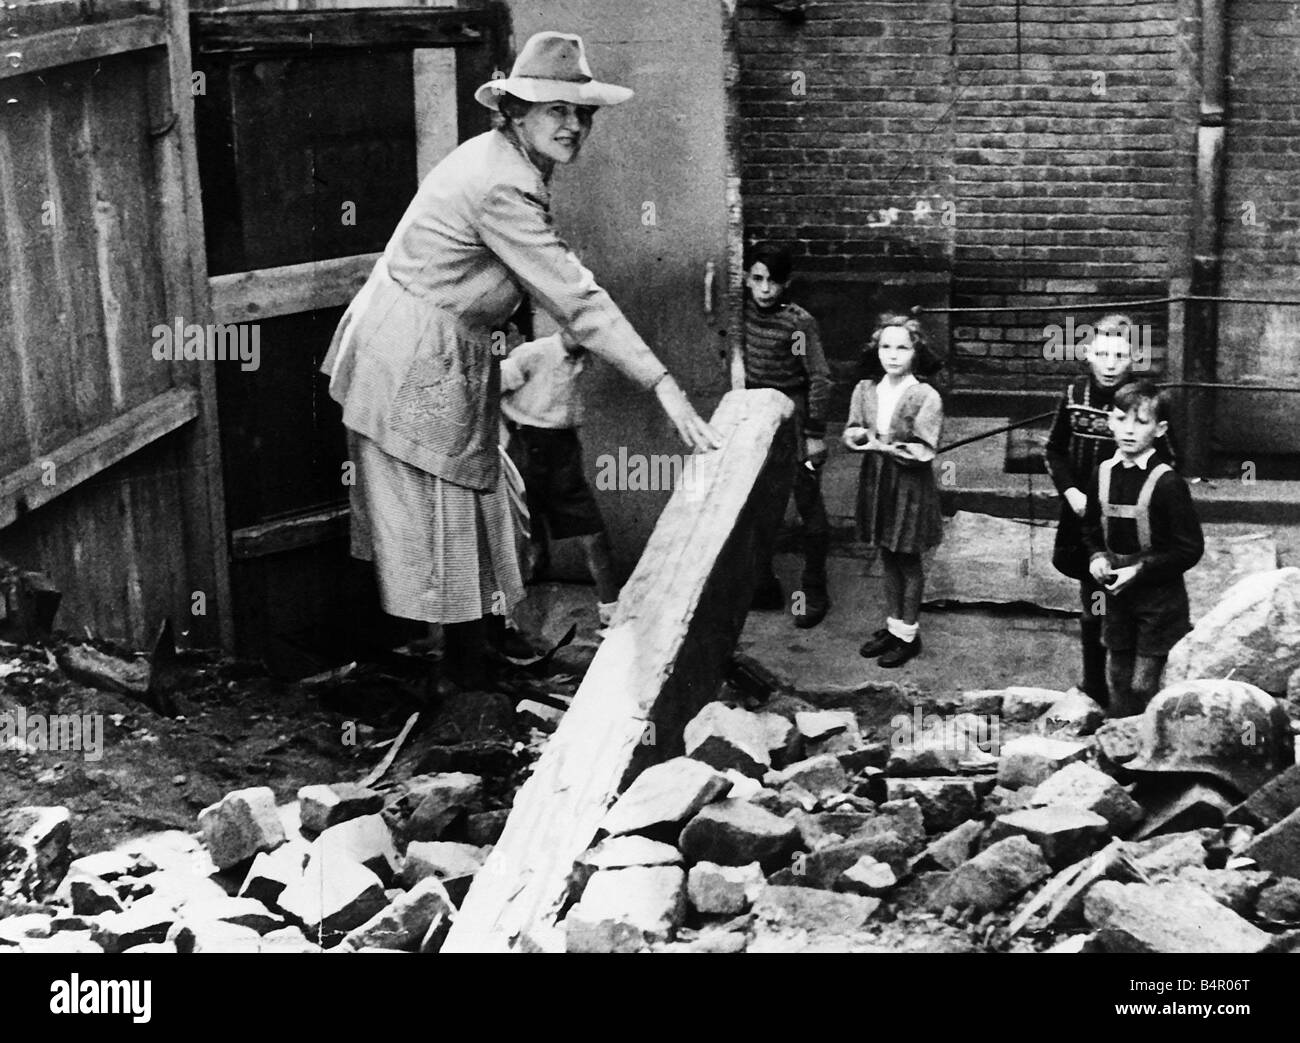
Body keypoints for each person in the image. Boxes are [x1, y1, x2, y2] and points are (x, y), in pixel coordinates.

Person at [320, 31, 719, 692]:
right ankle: (458, 680)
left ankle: (477, 656)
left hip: (443, 345)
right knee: (442, 512)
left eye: (582, 112)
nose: (573, 125)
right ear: (515, 111)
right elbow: (576, 297)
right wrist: (662, 383)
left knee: (482, 501)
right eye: (556, 110)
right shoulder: (500, 182)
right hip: (413, 352)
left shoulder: (512, 164)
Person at [1044, 314, 1176, 707]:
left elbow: (1169, 459)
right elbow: (1054, 450)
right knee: (1092, 596)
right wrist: (1071, 491)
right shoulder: (1074, 395)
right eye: (1102, 354)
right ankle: (1093, 684)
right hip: (1083, 515)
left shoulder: (1145, 402)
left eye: (1119, 356)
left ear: (1133, 357)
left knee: (1129, 597)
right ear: (1088, 354)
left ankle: (1131, 690)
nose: (1110, 364)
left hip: (1128, 520)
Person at [1081, 380, 1203, 717]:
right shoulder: (1101, 474)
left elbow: (1189, 548)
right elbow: (1089, 528)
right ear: (1109, 421)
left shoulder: (1168, 483)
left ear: (1160, 429)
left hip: (1159, 602)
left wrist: (1140, 570)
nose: (1129, 430)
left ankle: (1151, 740)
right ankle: (1120, 740)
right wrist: (1097, 556)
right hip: (1116, 597)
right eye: (1121, 420)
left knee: (1144, 684)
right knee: (1118, 677)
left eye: (1141, 422)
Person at [736, 243, 834, 628]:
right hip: (754, 415)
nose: (765, 289)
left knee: (807, 501)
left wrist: (814, 433)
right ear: (746, 278)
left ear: (786, 283)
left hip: (792, 416)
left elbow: (820, 378)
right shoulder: (738, 312)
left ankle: (814, 587)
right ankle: (762, 582)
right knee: (755, 503)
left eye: (773, 281)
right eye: (757, 279)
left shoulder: (798, 324)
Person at [500, 328, 621, 628]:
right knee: (523, 543)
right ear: (565, 322)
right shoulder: (533, 353)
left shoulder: (586, 359)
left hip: (564, 451)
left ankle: (611, 615)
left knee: (593, 534)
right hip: (527, 448)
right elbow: (489, 390)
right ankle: (507, 624)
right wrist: (507, 436)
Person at [842, 314, 945, 668]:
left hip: (909, 484)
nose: (893, 355)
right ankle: (893, 625)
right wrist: (857, 437)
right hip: (877, 481)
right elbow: (853, 428)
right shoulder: (865, 390)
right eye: (886, 346)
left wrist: (883, 446)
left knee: (908, 558)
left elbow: (923, 448)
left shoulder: (925, 396)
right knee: (886, 553)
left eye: (902, 347)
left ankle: (908, 635)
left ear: (916, 352)